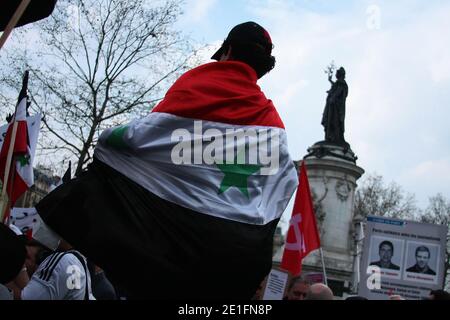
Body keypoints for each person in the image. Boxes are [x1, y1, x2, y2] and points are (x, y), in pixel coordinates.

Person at [35, 21, 298, 299]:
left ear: (228, 51)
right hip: (230, 259)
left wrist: (108, 139)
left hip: (167, 242)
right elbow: (286, 181)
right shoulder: (272, 125)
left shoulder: (200, 84)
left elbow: (141, 137)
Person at [7, 237, 95, 300]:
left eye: (27, 257)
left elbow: (25, 298)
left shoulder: (65, 261)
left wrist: (18, 269)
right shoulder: (75, 261)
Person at [321, 67, 348, 145]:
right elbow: (335, 86)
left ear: (340, 75)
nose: (336, 74)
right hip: (332, 106)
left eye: (337, 73)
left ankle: (335, 136)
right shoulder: (339, 83)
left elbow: (339, 91)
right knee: (330, 121)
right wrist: (330, 80)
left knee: (334, 121)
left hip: (336, 107)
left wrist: (333, 97)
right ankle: (331, 136)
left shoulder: (342, 83)